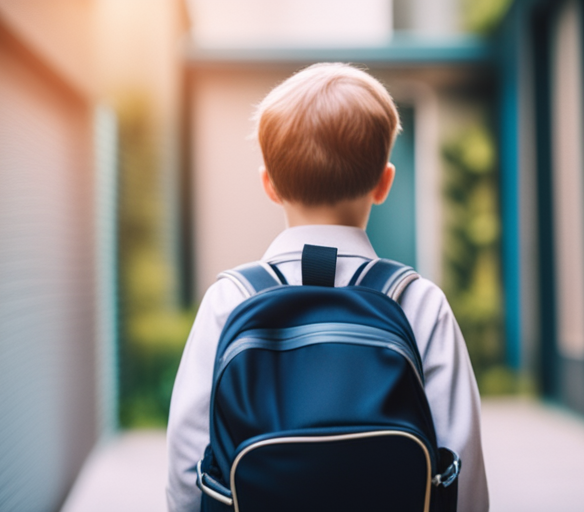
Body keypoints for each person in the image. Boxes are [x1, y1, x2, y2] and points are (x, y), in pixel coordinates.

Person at [166, 62, 489, 512]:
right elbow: (462, 464)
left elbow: (187, 464)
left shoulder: (231, 299)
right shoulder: (418, 302)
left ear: (270, 185)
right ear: (384, 183)